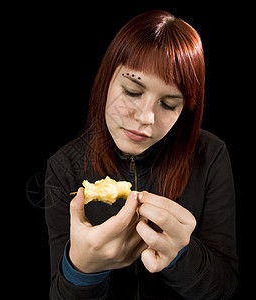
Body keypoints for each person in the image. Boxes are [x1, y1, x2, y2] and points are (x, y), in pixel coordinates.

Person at [45, 10, 238, 299]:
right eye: (132, 91)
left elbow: (224, 287)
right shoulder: (63, 167)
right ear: (106, 80)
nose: (146, 117)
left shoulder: (210, 156)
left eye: (169, 104)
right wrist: (81, 270)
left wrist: (181, 256)